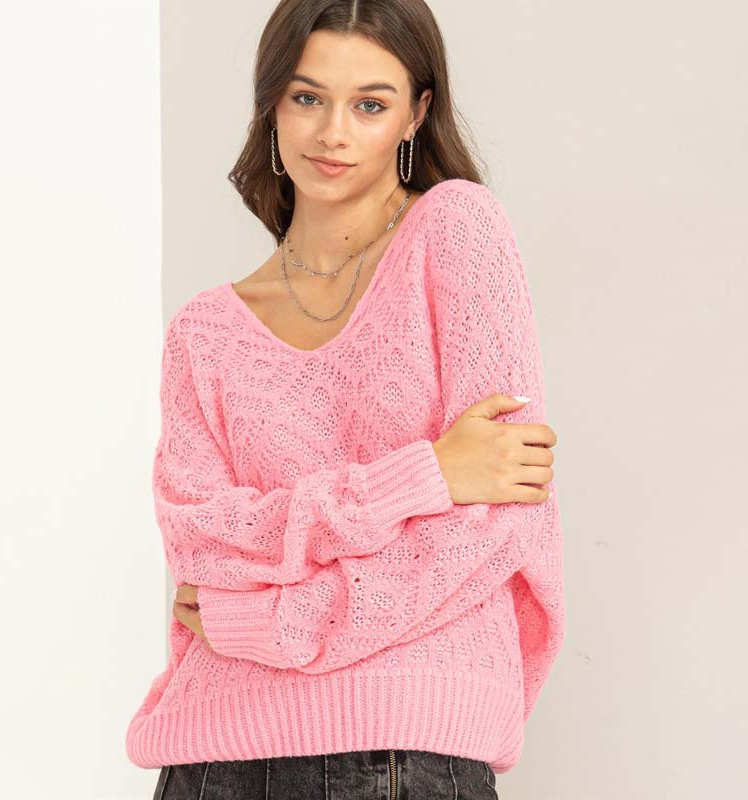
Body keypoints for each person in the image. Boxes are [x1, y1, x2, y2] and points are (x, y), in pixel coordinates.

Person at [126, 1, 565, 798]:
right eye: (307, 97)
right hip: (210, 756)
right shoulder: (203, 332)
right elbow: (202, 546)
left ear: (415, 114)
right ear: (271, 103)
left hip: (402, 748)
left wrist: (270, 621)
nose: (333, 133)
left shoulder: (456, 231)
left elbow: (499, 519)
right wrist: (423, 477)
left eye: (369, 104)